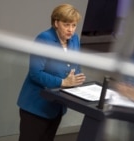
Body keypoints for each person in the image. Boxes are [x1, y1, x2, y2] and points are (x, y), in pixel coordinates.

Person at [17, 4, 86, 141]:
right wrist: (63, 82)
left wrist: (77, 78)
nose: (71, 30)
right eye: (66, 25)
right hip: (36, 107)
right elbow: (35, 73)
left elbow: (76, 65)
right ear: (56, 23)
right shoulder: (44, 39)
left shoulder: (75, 40)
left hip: (56, 106)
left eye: (74, 25)